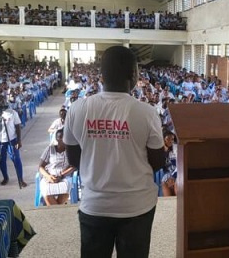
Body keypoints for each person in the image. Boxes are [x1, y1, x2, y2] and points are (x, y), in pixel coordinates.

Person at [63, 46, 165, 258]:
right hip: (136, 207)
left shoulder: (78, 108)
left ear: (102, 75)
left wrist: (99, 167)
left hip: (94, 205)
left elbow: (73, 158)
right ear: (134, 74)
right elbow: (157, 161)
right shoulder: (146, 112)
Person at [0, 99, 26, 187]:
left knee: (16, 159)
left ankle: (20, 179)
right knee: (1, 160)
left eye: (1, 104)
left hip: (11, 140)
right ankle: (5, 177)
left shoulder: (12, 113)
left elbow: (18, 127)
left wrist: (19, 141)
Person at [38, 129, 76, 205]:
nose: (63, 139)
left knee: (65, 191)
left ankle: (56, 212)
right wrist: (49, 176)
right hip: (49, 177)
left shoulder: (70, 151)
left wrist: (62, 175)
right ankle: (59, 212)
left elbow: (74, 166)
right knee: (47, 193)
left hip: (64, 176)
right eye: (60, 137)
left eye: (64, 137)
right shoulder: (50, 149)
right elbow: (40, 167)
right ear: (56, 139)